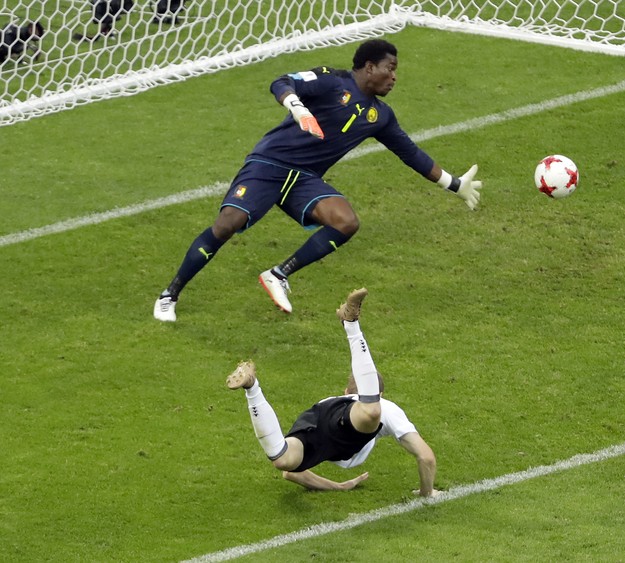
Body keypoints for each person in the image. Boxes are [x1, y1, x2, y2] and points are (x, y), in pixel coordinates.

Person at [153, 38, 482, 322]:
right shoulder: (331, 81)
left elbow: (411, 154)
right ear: (369, 67)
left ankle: (278, 274)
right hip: (270, 163)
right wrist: (297, 108)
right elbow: (281, 82)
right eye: (390, 67)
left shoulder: (380, 115)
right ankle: (170, 294)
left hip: (304, 179)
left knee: (346, 222)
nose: (394, 76)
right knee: (228, 223)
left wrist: (453, 183)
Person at [227, 288, 442, 496]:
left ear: (346, 391)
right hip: (338, 422)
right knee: (372, 413)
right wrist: (427, 492)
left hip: (317, 421)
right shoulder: (386, 409)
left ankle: (252, 386)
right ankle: (351, 325)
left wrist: (338, 487)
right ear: (378, 395)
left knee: (282, 459)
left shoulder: (343, 400)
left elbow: (291, 474)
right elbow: (426, 457)